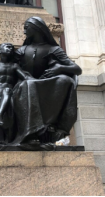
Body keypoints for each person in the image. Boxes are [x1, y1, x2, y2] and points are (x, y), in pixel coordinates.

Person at [10, 16, 82, 146]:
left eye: (27, 27)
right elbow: (9, 67)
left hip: (47, 84)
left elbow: (76, 69)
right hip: (25, 84)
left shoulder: (54, 49)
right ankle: (32, 132)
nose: (24, 30)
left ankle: (56, 126)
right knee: (29, 84)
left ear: (37, 28)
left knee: (66, 81)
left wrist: (60, 68)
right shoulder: (22, 50)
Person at [0, 43, 30, 143]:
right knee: (6, 91)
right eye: (8, 47)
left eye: (12, 48)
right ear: (0, 51)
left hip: (9, 92)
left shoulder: (15, 66)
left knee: (8, 92)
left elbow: (25, 78)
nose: (11, 49)